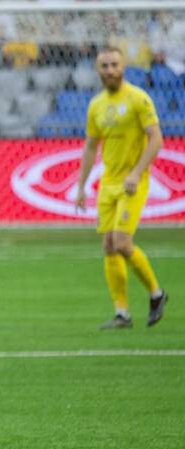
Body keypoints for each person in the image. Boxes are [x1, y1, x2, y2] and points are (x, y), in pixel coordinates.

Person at [74, 46, 168, 330]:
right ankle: (122, 313)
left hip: (133, 182)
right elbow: (91, 146)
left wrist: (137, 172)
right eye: (104, 66)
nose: (110, 70)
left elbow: (156, 139)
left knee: (122, 243)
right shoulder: (96, 105)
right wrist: (81, 187)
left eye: (114, 64)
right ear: (97, 69)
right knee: (108, 246)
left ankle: (156, 293)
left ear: (124, 66)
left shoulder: (139, 99)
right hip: (108, 184)